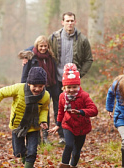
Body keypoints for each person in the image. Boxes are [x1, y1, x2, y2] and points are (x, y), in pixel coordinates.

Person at [23, 12, 94, 145]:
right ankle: (44, 135)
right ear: (62, 22)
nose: (70, 23)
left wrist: (79, 74)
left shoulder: (82, 39)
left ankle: (64, 136)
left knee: (65, 107)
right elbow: (39, 46)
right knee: (48, 106)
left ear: (75, 22)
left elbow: (89, 59)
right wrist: (26, 55)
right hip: (54, 79)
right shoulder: (54, 38)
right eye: (67, 21)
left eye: (72, 21)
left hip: (71, 81)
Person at [0, 67, 50, 168]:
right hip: (18, 126)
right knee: (18, 152)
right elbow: (1, 93)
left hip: (34, 127)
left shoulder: (45, 95)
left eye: (40, 86)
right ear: (29, 83)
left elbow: (44, 109)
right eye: (34, 86)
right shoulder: (18, 88)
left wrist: (43, 121)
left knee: (32, 151)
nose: (37, 89)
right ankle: (26, 161)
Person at [49, 63, 98, 168]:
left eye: (74, 87)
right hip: (68, 124)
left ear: (79, 86)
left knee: (76, 151)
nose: (71, 90)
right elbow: (60, 111)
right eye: (69, 88)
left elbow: (94, 110)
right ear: (64, 88)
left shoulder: (84, 96)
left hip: (82, 126)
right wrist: (58, 124)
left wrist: (81, 112)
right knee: (69, 145)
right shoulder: (62, 97)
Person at [18, 35, 59, 144]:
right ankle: (34, 137)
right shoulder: (31, 57)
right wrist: (23, 88)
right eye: (41, 46)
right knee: (33, 112)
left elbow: (53, 73)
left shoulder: (50, 56)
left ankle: (45, 136)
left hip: (48, 88)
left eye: (45, 46)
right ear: (37, 46)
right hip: (34, 89)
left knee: (45, 112)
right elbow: (25, 74)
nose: (43, 48)